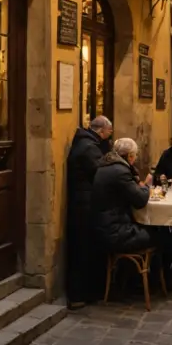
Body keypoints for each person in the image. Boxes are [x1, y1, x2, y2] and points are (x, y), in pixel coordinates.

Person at [91, 137, 172, 287]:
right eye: (135, 156)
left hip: (105, 226)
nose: (135, 159)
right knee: (168, 235)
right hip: (116, 232)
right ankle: (161, 278)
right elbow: (140, 199)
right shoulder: (120, 171)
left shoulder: (107, 166)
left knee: (159, 230)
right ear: (129, 156)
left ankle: (146, 276)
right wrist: (146, 186)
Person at [66, 116, 113, 308]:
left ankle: (88, 291)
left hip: (82, 202)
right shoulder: (89, 147)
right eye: (109, 132)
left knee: (84, 248)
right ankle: (80, 294)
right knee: (83, 249)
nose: (110, 136)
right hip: (84, 205)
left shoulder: (86, 143)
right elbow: (100, 174)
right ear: (102, 131)